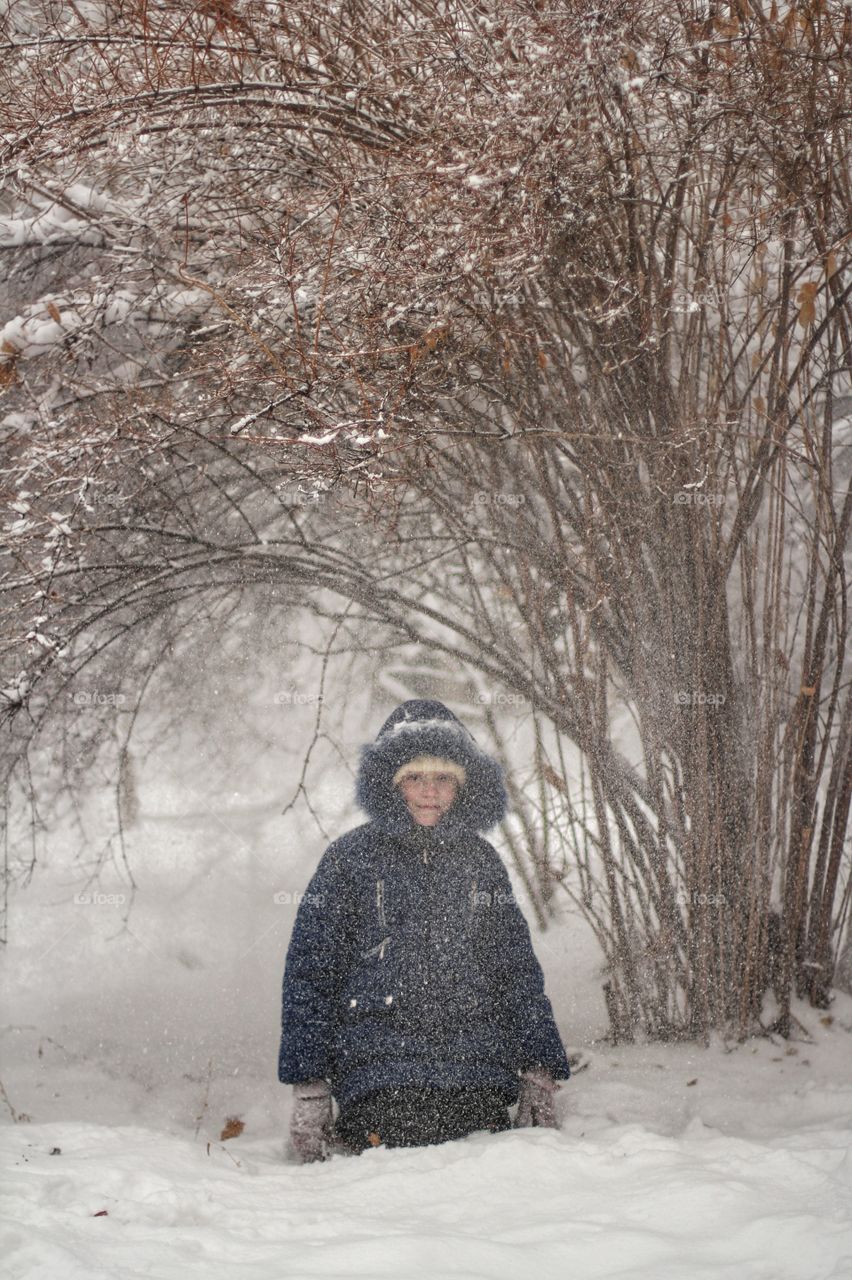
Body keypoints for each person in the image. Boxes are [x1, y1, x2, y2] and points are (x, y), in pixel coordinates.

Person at [277, 699, 571, 1160]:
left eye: (443, 779)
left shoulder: (481, 862)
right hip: (379, 1077)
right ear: (391, 785)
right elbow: (311, 974)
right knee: (401, 1135)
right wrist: (309, 1085)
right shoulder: (350, 860)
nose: (429, 792)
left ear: (463, 786)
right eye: (415, 777)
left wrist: (539, 1069)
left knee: (472, 1148)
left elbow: (514, 969)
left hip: (475, 1077)